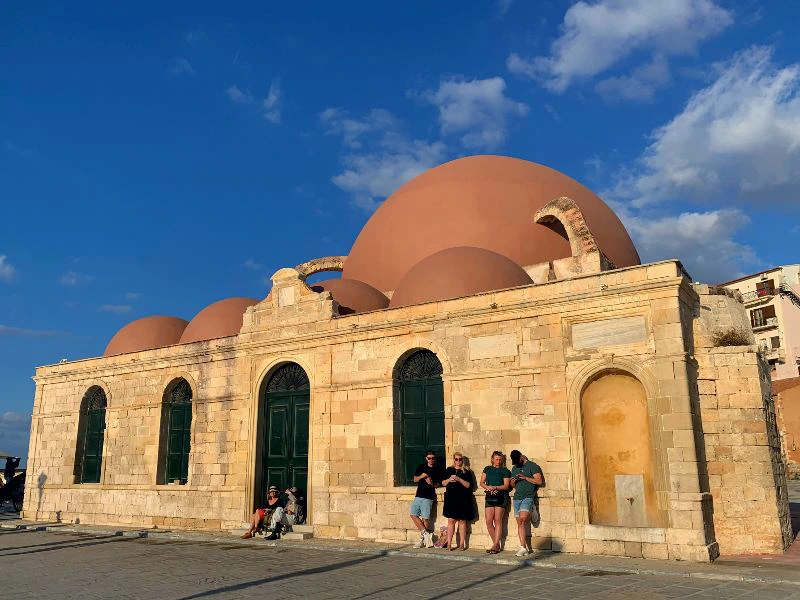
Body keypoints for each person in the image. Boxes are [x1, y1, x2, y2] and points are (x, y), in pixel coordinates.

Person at [509, 449, 544, 557]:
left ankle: (532, 509)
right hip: (517, 498)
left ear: (521, 457)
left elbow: (539, 481)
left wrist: (525, 478)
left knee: (523, 519)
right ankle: (523, 547)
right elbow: (513, 486)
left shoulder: (532, 466)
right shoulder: (514, 468)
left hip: (528, 496)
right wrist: (513, 482)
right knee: (519, 522)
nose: (517, 464)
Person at [441, 452, 475, 551]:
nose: (458, 461)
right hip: (451, 498)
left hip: (463, 498)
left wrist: (459, 479)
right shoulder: (449, 470)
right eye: (456, 459)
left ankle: (461, 544)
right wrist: (449, 480)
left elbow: (469, 485)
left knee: (462, 521)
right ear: (454, 460)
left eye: (460, 459)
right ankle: (449, 544)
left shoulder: (467, 472)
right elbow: (443, 483)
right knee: (451, 521)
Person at [480, 450, 511, 554]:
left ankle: (495, 545)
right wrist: (488, 487)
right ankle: (496, 544)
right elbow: (481, 482)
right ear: (492, 459)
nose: (498, 461)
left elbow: (506, 486)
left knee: (498, 520)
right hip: (489, 496)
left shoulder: (505, 471)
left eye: (500, 459)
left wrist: (496, 487)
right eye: (496, 459)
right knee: (489, 521)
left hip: (501, 496)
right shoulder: (487, 469)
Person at [410, 450, 441, 548]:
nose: (431, 460)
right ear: (426, 458)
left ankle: (421, 540)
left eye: (433, 458)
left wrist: (431, 484)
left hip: (428, 497)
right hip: (418, 495)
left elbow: (438, 484)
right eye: (429, 458)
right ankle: (426, 534)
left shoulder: (437, 469)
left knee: (425, 518)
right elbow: (415, 479)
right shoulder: (421, 467)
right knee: (413, 514)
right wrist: (421, 476)